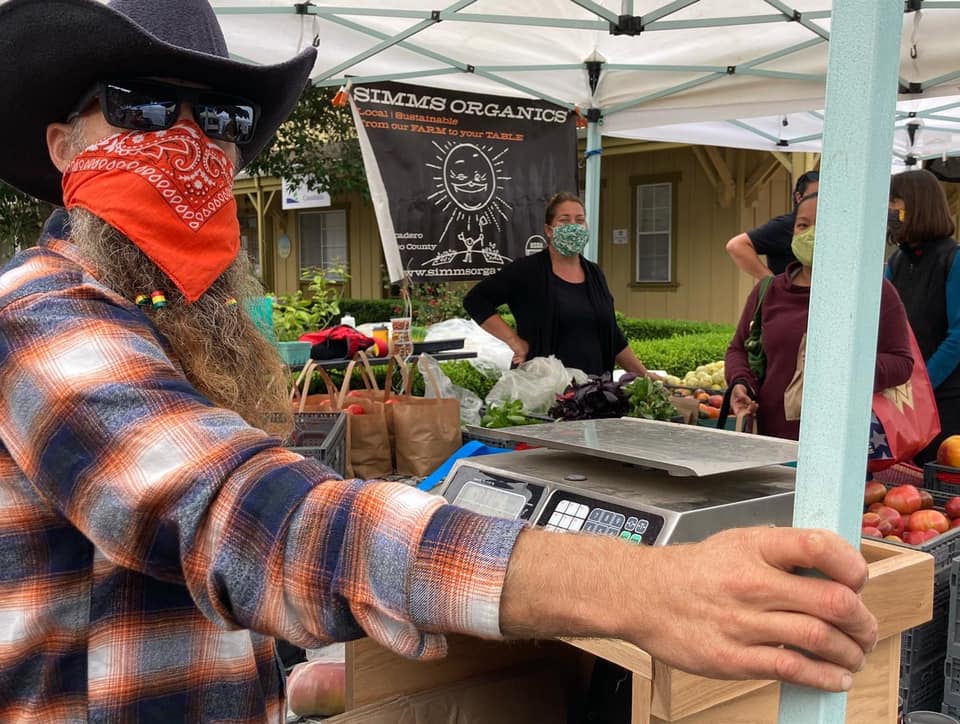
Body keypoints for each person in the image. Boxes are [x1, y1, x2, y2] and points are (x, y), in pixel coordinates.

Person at [0, 1, 877, 720]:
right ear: (63, 145)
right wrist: (641, 585)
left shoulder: (179, 320)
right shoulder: (37, 315)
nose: (189, 142)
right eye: (144, 106)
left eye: (222, 117)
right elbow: (241, 515)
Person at [725, 191, 914, 440]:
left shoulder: (872, 291)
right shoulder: (768, 291)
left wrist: (846, 368)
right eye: (803, 225)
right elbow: (738, 349)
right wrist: (741, 383)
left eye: (824, 224)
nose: (811, 234)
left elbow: (901, 363)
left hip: (845, 443)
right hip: (772, 441)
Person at [463, 192, 651, 377]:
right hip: (545, 389)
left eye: (579, 220)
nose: (573, 226)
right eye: (564, 220)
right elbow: (476, 300)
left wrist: (646, 376)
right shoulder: (527, 271)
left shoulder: (594, 274)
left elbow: (612, 336)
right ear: (549, 230)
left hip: (594, 389)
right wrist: (514, 341)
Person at [887, 169, 960, 464]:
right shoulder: (896, 261)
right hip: (903, 400)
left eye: (895, 201)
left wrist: (921, 385)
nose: (890, 209)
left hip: (945, 402)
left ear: (918, 204)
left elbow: (958, 337)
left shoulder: (953, 259)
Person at [726, 171, 820, 279]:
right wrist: (772, 282)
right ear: (799, 197)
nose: (818, 201)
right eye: (814, 196)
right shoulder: (786, 225)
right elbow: (737, 245)